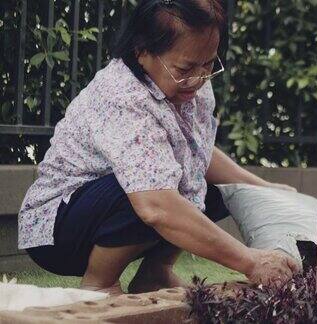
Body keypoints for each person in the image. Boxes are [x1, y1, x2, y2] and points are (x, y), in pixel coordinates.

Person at [18, 0, 300, 295]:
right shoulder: (122, 97)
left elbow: (197, 152)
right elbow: (155, 204)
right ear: (142, 52)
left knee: (220, 189)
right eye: (185, 67)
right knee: (145, 187)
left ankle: (155, 273)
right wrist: (250, 261)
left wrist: (263, 187)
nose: (199, 78)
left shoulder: (192, 84)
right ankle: (99, 283)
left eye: (208, 63)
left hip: (123, 204)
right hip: (59, 230)